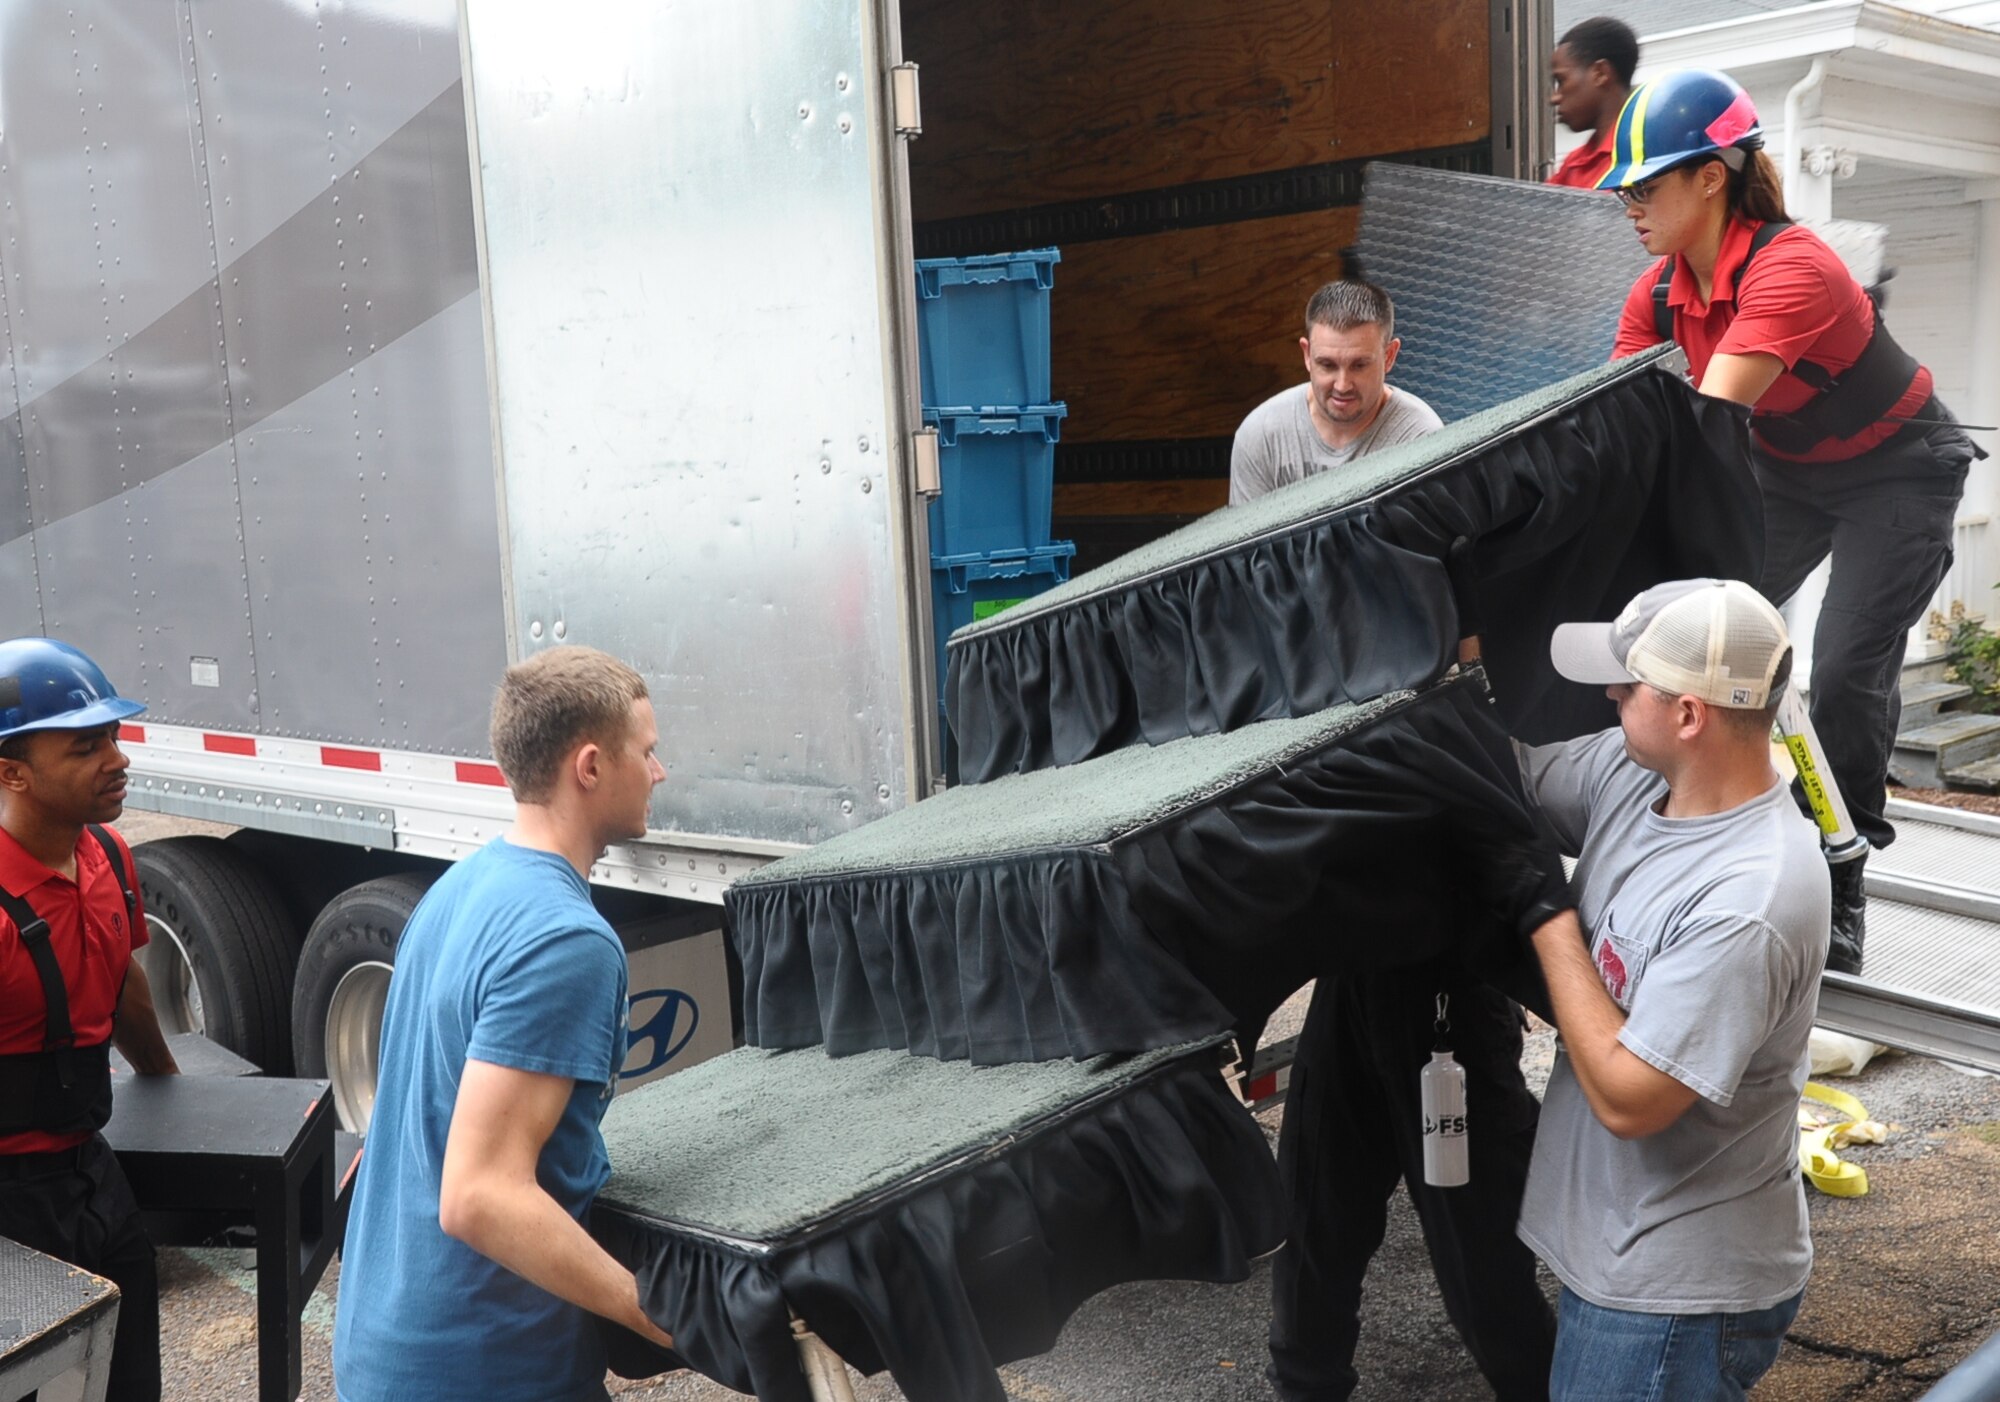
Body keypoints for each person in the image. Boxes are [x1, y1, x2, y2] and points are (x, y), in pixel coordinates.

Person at [1600, 67, 1980, 973]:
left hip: (1901, 470)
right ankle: (1711, 824)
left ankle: (1842, 876)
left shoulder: (1792, 266)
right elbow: (1617, 424)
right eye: (1624, 190)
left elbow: (1704, 422)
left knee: (1845, 667)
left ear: (1711, 176)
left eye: (1645, 185)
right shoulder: (1655, 295)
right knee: (1685, 634)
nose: (1629, 205)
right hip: (1789, 472)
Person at [1231, 349, 1553, 1399]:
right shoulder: (1316, 697)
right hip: (1352, 988)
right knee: (1314, 1221)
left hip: (1445, 1007)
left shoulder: (1457, 702)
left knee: (1478, 1252)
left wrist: (1547, 985)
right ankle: (1303, 1386)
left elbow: (1516, 865)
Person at [1511, 578, 1828, 1401]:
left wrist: (1548, 919)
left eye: (1630, 684)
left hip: (1676, 1299)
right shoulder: (1636, 774)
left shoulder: (1749, 897)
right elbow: (1511, 779)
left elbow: (1632, 1099)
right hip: (1627, 1257)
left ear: (1689, 714)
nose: (1611, 694)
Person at [333, 645, 675, 1402]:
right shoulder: (566, 941)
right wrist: (656, 1314)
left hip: (386, 1349)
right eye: (646, 752)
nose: (659, 772)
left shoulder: (456, 890)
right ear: (591, 767)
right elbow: (480, 1194)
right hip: (482, 1372)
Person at [0, 637, 178, 1402]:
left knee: (131, 1377)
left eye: (113, 735)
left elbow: (122, 981)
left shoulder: (107, 854)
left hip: (92, 1173)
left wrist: (167, 1081)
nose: (117, 759)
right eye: (85, 747)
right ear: (12, 772)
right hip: (8, 1199)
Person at [1229, 279, 1444, 505]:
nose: (1342, 386)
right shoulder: (1261, 435)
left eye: (1359, 365)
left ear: (1389, 356)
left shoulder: (1420, 437)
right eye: (1328, 365)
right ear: (1307, 355)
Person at [1546, 17, 1637, 190]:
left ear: (1600, 73)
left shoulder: (1646, 160)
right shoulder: (1573, 166)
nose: (1554, 98)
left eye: (1561, 80)